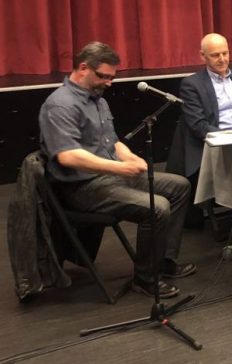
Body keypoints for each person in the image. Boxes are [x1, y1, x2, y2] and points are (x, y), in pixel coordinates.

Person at [39, 42, 194, 299]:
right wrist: (120, 168)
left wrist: (130, 157)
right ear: (83, 68)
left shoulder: (98, 100)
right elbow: (67, 155)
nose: (109, 83)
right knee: (157, 207)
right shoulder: (60, 105)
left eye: (112, 77)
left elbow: (112, 142)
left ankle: (162, 262)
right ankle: (146, 279)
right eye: (104, 76)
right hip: (82, 187)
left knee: (179, 186)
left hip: (109, 178)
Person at [174, 33, 232, 227]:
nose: (222, 59)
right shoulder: (192, 84)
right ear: (203, 56)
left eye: (225, 53)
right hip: (219, 143)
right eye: (215, 55)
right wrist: (230, 138)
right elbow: (199, 125)